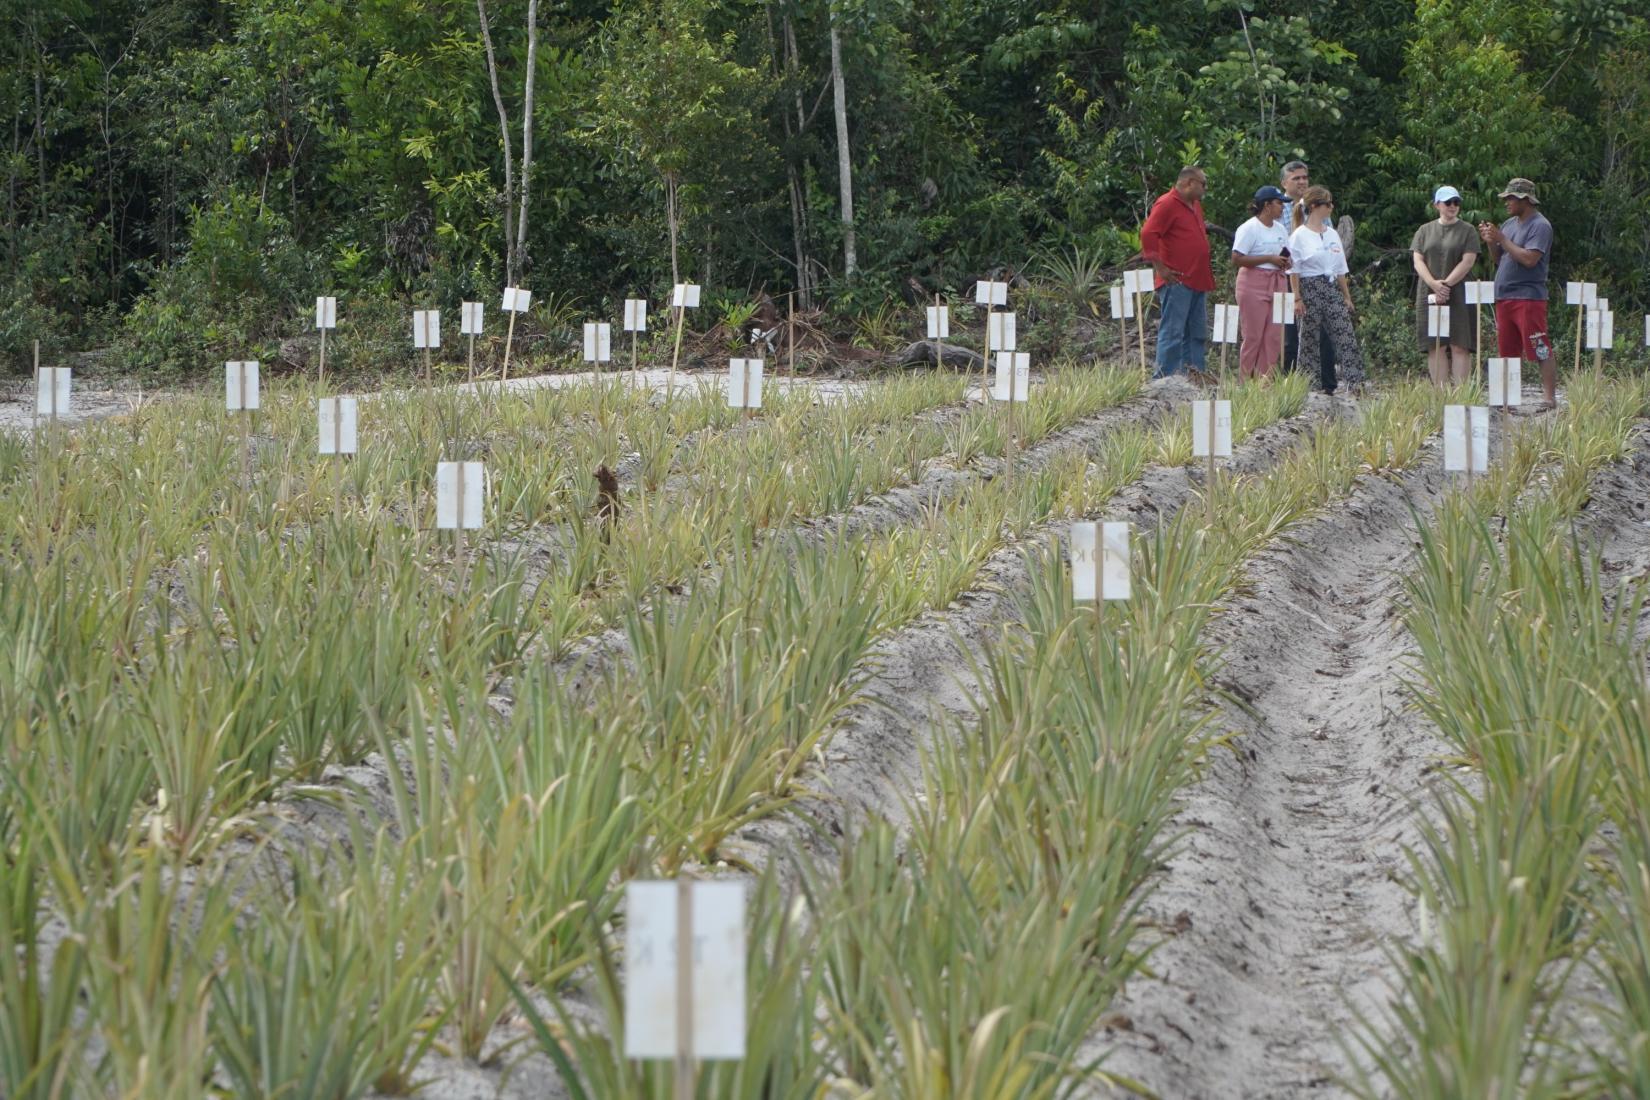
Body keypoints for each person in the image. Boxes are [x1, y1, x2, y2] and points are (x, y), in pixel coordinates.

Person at [1478, 178, 1555, 406]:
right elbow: (1498, 259)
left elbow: (1530, 259)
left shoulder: (1540, 225)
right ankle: (1508, 399)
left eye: (1511, 198)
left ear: (1525, 199)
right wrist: (1492, 242)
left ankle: (1549, 398)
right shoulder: (1509, 224)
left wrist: (1502, 238)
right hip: (1505, 296)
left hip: (1529, 297)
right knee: (1507, 350)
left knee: (1539, 346)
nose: (1507, 202)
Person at [1139, 166, 1216, 380]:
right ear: (1189, 183)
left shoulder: (1194, 205)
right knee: (1173, 331)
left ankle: (1193, 375)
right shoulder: (1167, 204)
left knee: (1196, 332)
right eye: (1203, 184)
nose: (1205, 189)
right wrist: (1160, 267)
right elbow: (1148, 233)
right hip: (1177, 278)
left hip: (1198, 278)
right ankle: (1165, 378)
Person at [1287, 186, 1366, 394]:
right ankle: (1309, 384)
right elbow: (1294, 269)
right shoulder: (1299, 236)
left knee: (1345, 334)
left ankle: (1355, 382)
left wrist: (1346, 296)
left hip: (1330, 286)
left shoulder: (1331, 234)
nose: (1331, 207)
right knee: (1309, 338)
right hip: (1309, 286)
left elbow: (1340, 267)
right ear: (1314, 207)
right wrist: (1297, 298)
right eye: (1327, 204)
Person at [1410, 185, 1480, 385]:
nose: (1452, 206)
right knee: (1436, 344)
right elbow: (1418, 260)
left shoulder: (1468, 230)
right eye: (1448, 202)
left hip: (1458, 291)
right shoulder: (1424, 230)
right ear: (1437, 205)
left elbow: (1468, 261)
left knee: (1460, 343)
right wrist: (1434, 284)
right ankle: (1440, 396)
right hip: (1429, 291)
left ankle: (1461, 395)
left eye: (1456, 202)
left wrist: (1446, 285)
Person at [1277, 160, 1336, 379]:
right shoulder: (1277, 207)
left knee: (1319, 330)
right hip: (1285, 277)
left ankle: (1318, 378)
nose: (1302, 181)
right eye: (1296, 178)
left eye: (1305, 177)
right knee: (1288, 331)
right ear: (1284, 183)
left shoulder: (1318, 205)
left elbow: (1328, 239)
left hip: (1315, 277)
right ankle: (1288, 378)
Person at [1230, 185, 1292, 379]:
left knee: (1274, 336)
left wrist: (1285, 260)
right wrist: (1268, 258)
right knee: (1253, 335)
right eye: (1279, 203)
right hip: (1253, 281)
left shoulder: (1281, 228)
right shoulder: (1249, 228)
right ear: (1267, 205)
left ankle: (1265, 380)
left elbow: (1285, 251)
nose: (1282, 207)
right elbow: (1237, 258)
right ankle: (1246, 380)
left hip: (1278, 280)